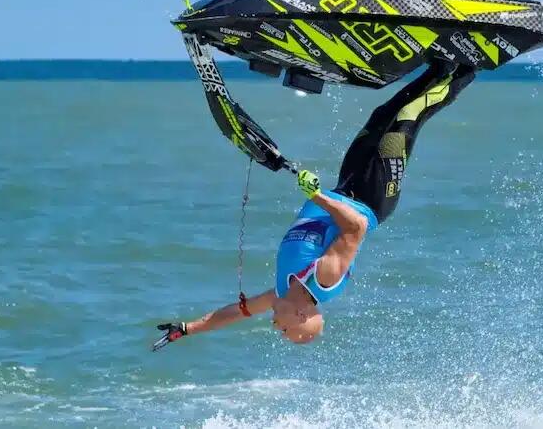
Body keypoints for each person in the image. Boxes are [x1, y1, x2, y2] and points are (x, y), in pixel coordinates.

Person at [153, 59, 476, 348]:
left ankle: (440, 66)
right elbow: (356, 227)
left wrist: (188, 328)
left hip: (346, 186)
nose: (277, 329)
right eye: (287, 331)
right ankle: (467, 69)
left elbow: (236, 313)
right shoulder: (323, 279)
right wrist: (316, 195)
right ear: (302, 313)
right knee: (406, 118)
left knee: (382, 116)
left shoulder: (282, 291)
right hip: (373, 196)